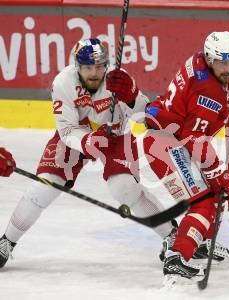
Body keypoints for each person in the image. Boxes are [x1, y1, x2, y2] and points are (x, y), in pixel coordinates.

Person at [0, 38, 174, 268]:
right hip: (76, 136)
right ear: (77, 67)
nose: (94, 73)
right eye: (87, 67)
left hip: (115, 137)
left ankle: (172, 236)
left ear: (106, 65)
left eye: (99, 66)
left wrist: (132, 96)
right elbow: (66, 130)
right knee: (45, 185)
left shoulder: (118, 78)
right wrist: (89, 141)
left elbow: (147, 116)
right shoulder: (63, 82)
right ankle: (7, 241)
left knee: (125, 188)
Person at [142, 31, 229, 284]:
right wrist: (218, 172)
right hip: (166, 145)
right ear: (211, 58)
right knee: (205, 199)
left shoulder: (202, 62)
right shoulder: (208, 90)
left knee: (215, 196)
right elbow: (194, 139)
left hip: (172, 139)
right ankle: (177, 257)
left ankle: (198, 242)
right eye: (224, 63)